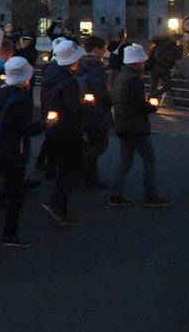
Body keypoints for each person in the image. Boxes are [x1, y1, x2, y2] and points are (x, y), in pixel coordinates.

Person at [0, 57, 51, 247]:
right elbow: (24, 127)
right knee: (16, 192)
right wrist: (45, 125)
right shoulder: (21, 99)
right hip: (15, 148)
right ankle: (9, 233)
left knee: (6, 186)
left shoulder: (2, 94)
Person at [109, 44, 174, 208]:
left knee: (125, 161)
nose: (144, 64)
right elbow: (138, 105)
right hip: (136, 125)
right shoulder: (135, 80)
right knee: (149, 159)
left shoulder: (120, 78)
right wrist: (152, 107)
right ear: (137, 63)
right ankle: (150, 194)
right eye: (142, 62)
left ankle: (116, 194)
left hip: (122, 123)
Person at [38, 40, 86, 226]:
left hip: (55, 127)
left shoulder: (50, 76)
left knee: (64, 167)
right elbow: (73, 108)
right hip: (68, 128)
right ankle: (59, 205)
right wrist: (87, 106)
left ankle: (57, 203)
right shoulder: (69, 82)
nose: (79, 63)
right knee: (73, 167)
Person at [77, 36, 113, 189]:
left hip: (87, 107)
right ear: (96, 49)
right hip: (97, 110)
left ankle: (91, 177)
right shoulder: (97, 68)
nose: (105, 51)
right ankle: (82, 172)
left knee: (93, 143)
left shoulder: (82, 65)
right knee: (101, 144)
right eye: (103, 48)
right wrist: (111, 100)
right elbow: (101, 91)